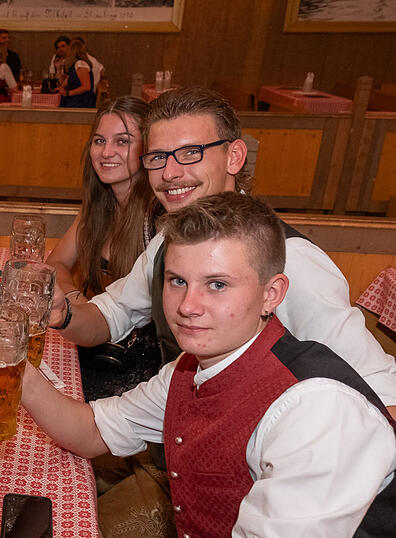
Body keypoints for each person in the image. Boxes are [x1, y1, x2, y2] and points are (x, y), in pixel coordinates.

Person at [48, 86, 396, 534]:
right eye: (157, 157)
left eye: (190, 153)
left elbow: (378, 393)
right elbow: (109, 316)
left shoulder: (293, 263)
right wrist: (63, 314)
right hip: (167, 442)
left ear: (234, 157)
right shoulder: (168, 245)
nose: (170, 173)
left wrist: (296, 476)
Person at [44, 96, 159, 401]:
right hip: (97, 343)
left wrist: (80, 311)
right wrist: (78, 301)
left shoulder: (158, 219)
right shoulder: (98, 208)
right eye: (99, 140)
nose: (106, 152)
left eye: (123, 141)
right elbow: (55, 264)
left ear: (148, 148)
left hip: (142, 370)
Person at [58, 38, 96, 108]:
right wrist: (59, 68)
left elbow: (87, 87)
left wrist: (68, 93)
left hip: (82, 101)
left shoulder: (80, 64)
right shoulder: (73, 66)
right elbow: (63, 84)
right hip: (76, 99)